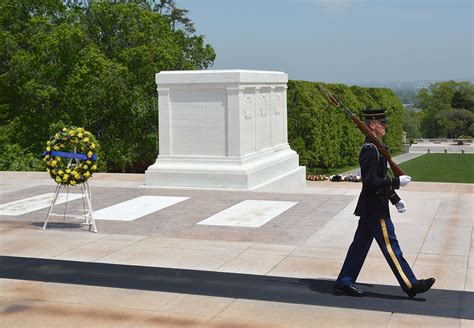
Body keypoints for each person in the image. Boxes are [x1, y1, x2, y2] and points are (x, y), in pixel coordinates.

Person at [333, 109, 435, 298]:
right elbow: (370, 181)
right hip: (375, 208)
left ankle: (344, 282)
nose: (385, 126)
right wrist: (396, 182)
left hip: (372, 206)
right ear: (372, 124)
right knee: (391, 246)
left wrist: (395, 199)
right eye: (382, 123)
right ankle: (410, 284)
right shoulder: (370, 150)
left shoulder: (376, 147)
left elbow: (380, 178)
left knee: (359, 246)